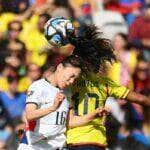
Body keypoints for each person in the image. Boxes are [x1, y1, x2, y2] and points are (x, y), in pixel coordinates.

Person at [44, 20, 150, 149]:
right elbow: (141, 99)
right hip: (97, 142)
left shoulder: (71, 81)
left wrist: (70, 44)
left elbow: (52, 76)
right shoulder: (105, 84)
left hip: (74, 141)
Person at [18, 55, 108, 150]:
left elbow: (70, 121)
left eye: (75, 78)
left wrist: (93, 115)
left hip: (58, 146)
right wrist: (52, 108)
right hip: (34, 146)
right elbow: (30, 115)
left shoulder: (67, 91)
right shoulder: (38, 86)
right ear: (60, 67)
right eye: (71, 76)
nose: (72, 81)